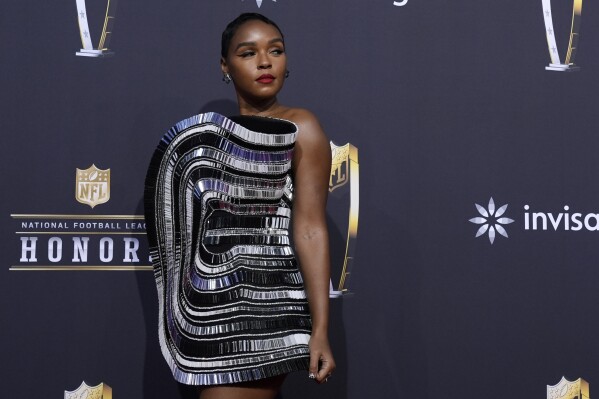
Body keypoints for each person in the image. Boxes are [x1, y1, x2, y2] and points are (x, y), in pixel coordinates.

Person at [145, 12, 335, 399]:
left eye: (275, 51)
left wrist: (320, 331)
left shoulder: (303, 127)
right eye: (249, 53)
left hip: (270, 308)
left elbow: (311, 229)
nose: (265, 62)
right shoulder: (208, 138)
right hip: (215, 309)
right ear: (225, 67)